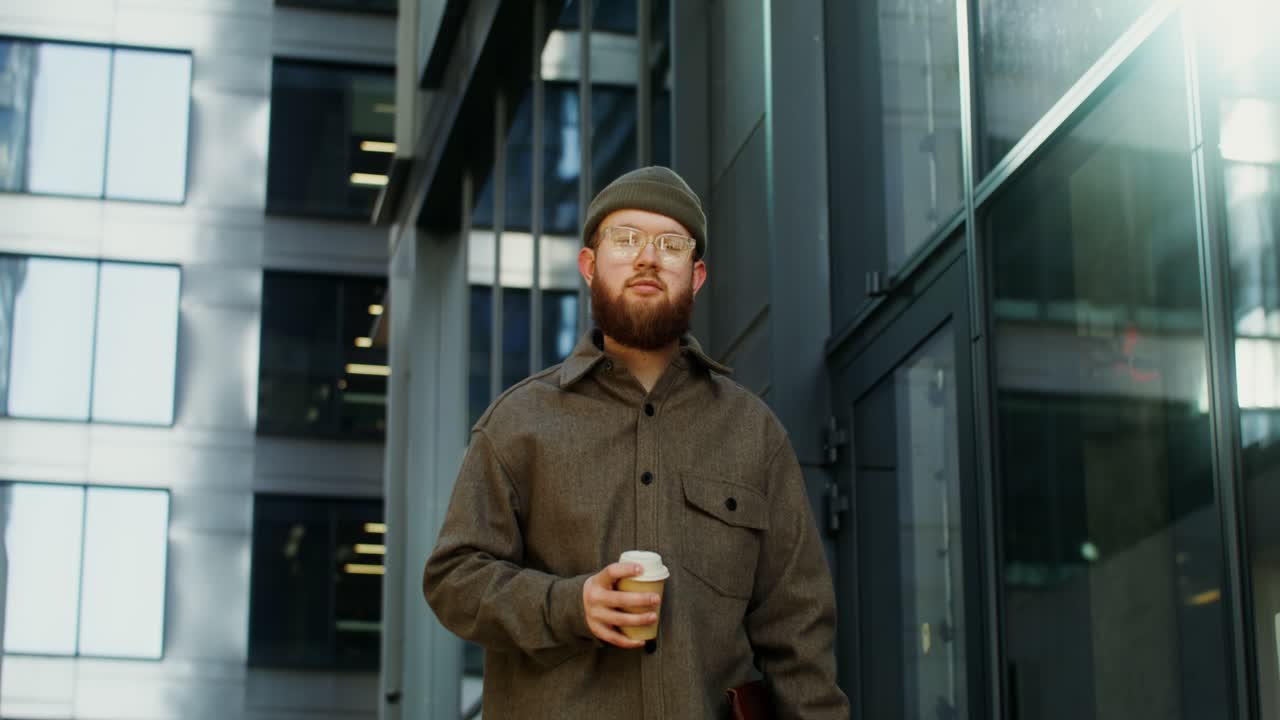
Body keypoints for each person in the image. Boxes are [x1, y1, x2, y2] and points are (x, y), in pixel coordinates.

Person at [424, 166, 849, 719]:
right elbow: (453, 580)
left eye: (670, 244)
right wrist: (570, 606)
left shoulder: (754, 433)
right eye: (625, 240)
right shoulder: (517, 423)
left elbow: (800, 633)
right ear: (589, 265)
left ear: (695, 276)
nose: (648, 257)